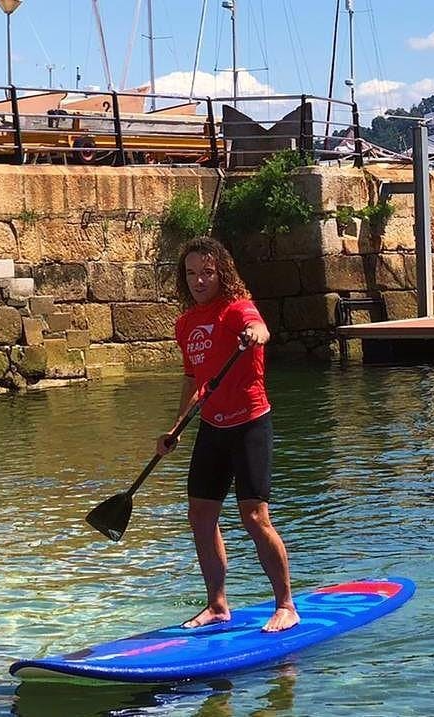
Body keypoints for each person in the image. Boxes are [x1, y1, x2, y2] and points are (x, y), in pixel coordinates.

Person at [157, 237, 298, 632]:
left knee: (254, 517)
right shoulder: (184, 324)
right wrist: (176, 426)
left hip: (250, 424)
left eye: (207, 272)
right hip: (212, 428)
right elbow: (192, 379)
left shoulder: (237, 310)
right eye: (191, 274)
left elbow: (260, 327)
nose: (199, 280)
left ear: (222, 273)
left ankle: (285, 604)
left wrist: (256, 334)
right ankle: (218, 605)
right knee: (200, 515)